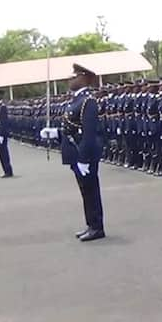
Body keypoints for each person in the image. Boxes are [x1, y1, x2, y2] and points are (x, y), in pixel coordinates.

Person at [57, 64, 105, 242]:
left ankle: (97, 227)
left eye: (74, 76)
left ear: (84, 78)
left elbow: (89, 133)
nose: (70, 79)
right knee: (85, 191)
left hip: (84, 154)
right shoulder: (76, 100)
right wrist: (55, 133)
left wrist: (84, 159)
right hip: (75, 153)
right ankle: (90, 224)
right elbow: (71, 128)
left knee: (91, 190)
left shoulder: (88, 101)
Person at [0, 90, 13, 178]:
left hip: (1, 133)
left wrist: (1, 133)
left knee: (4, 153)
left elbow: (4, 122)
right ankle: (5, 170)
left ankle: (8, 171)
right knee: (0, 153)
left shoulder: (3, 107)